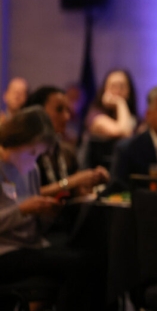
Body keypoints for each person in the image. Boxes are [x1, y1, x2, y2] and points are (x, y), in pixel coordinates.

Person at [0, 106, 101, 310]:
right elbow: (17, 214)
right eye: (32, 152)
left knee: (92, 256)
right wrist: (23, 210)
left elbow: (34, 228)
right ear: (16, 140)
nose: (34, 159)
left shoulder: (31, 169)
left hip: (30, 246)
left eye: (39, 154)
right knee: (80, 265)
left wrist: (46, 213)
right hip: (5, 251)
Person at [24, 86, 108, 191]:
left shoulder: (67, 151)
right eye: (59, 110)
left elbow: (79, 192)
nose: (66, 117)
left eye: (67, 110)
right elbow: (27, 197)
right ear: (38, 113)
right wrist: (69, 183)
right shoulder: (25, 152)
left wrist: (92, 179)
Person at [80, 69, 138, 170]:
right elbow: (123, 132)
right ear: (104, 90)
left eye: (122, 86)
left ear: (129, 91)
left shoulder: (136, 118)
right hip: (98, 174)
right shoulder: (95, 115)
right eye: (113, 86)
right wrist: (120, 103)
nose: (118, 90)